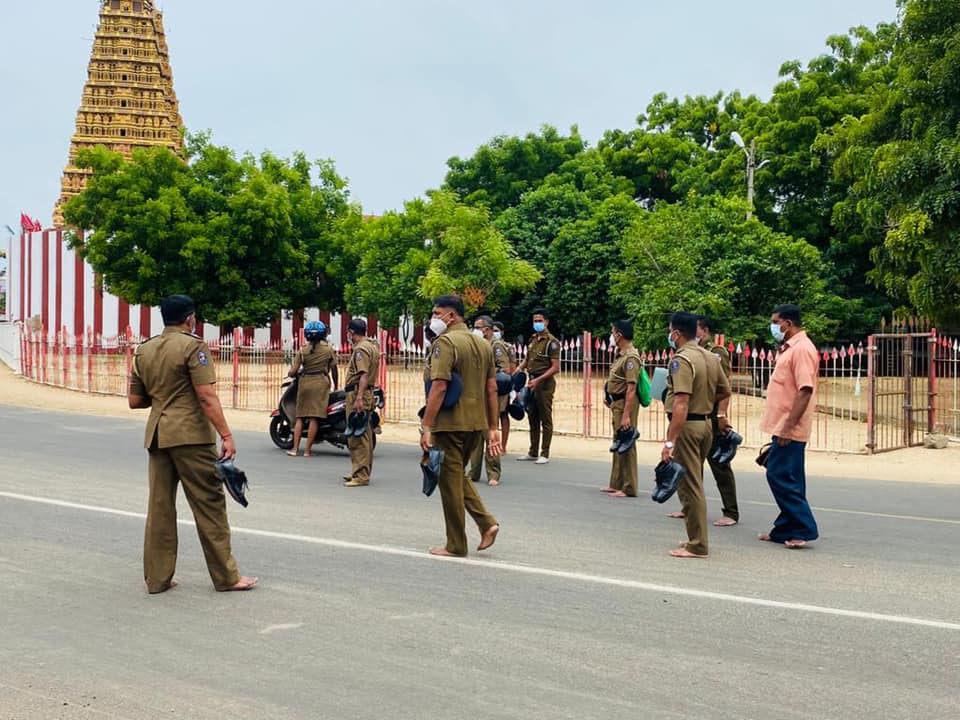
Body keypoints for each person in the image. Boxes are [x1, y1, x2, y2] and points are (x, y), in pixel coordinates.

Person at [127, 295, 257, 593]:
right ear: (190, 318)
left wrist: (163, 397)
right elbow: (206, 396)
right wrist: (226, 435)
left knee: (160, 508)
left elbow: (135, 400)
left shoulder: (144, 350)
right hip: (191, 436)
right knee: (209, 504)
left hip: (158, 435)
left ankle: (157, 579)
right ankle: (226, 577)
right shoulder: (193, 347)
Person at [419, 295, 501, 557]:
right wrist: (493, 426)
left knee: (449, 483)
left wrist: (426, 426)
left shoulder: (445, 343)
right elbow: (492, 388)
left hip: (450, 424)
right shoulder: (483, 344)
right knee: (455, 476)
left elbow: (439, 386)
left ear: (451, 316)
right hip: (476, 424)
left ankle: (456, 544)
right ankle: (486, 524)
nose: (433, 318)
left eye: (437, 313)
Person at [660, 311, 731, 559]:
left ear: (676, 333)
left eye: (670, 331)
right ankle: (695, 537)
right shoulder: (710, 357)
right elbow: (725, 390)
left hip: (688, 426)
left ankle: (698, 544)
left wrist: (670, 441)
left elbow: (681, 402)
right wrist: (706, 402)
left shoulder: (681, 360)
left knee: (690, 486)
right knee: (693, 482)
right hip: (706, 424)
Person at [758, 304, 820, 548]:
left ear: (787, 323)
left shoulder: (802, 349)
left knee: (779, 475)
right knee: (791, 478)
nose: (773, 327)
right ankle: (785, 528)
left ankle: (804, 528)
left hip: (790, 428)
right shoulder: (789, 349)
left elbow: (805, 390)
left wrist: (787, 427)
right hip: (782, 425)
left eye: (776, 322)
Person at [667, 316, 739, 525]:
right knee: (691, 467)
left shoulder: (715, 353)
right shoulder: (689, 354)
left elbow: (724, 388)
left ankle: (730, 511)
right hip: (692, 415)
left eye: (697, 328)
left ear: (705, 331)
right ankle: (689, 507)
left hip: (708, 415)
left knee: (719, 465)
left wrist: (721, 414)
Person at [464, 315, 515, 486]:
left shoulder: (496, 346)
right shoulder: (476, 345)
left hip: (490, 394)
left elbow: (505, 370)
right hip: (475, 394)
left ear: (486, 330)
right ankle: (474, 471)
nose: (475, 330)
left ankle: (493, 473)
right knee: (475, 435)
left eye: (477, 327)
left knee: (490, 434)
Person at [286, 320, 338, 457]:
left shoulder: (302, 350)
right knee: (314, 418)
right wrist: (336, 384)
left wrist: (290, 373)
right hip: (321, 384)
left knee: (300, 417)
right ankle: (307, 451)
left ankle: (294, 449)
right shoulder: (328, 350)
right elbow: (334, 369)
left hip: (305, 384)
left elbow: (294, 371)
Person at [602, 319, 642, 498]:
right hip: (617, 403)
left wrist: (626, 415)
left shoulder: (631, 357)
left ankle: (629, 487)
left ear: (619, 335)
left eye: (612, 332)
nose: (611, 336)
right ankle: (616, 482)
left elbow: (631, 388)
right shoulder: (621, 355)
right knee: (619, 441)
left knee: (627, 442)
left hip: (626, 404)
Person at [516, 308, 561, 464]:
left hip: (544, 384)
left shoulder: (552, 342)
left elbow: (555, 367)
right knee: (532, 416)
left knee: (545, 418)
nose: (537, 323)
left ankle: (545, 453)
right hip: (532, 382)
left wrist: (539, 380)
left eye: (540, 321)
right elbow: (527, 359)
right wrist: (518, 369)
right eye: (535, 321)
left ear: (546, 322)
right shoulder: (533, 339)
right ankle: (533, 451)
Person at [343, 317, 380, 487]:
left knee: (358, 436)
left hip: (359, 393)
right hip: (365, 392)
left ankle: (361, 475)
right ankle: (358, 470)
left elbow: (363, 374)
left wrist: (358, 398)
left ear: (351, 332)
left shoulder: (361, 349)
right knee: (364, 434)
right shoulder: (371, 346)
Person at [492, 320, 518, 453]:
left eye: (496, 330)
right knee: (495, 415)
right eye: (493, 330)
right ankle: (496, 444)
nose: (494, 333)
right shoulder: (489, 344)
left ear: (502, 332)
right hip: (496, 383)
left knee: (502, 413)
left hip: (502, 383)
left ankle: (502, 446)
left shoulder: (503, 346)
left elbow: (510, 368)